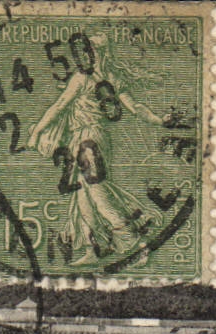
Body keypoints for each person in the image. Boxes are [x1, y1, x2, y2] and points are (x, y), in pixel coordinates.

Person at [26, 32, 169, 266]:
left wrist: (36, 132)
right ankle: (95, 247)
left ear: (96, 53)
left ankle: (134, 242)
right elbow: (136, 108)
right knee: (82, 199)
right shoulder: (112, 78)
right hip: (91, 140)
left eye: (86, 51)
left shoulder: (81, 79)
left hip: (87, 141)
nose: (80, 56)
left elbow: (59, 106)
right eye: (78, 52)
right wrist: (160, 120)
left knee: (97, 195)